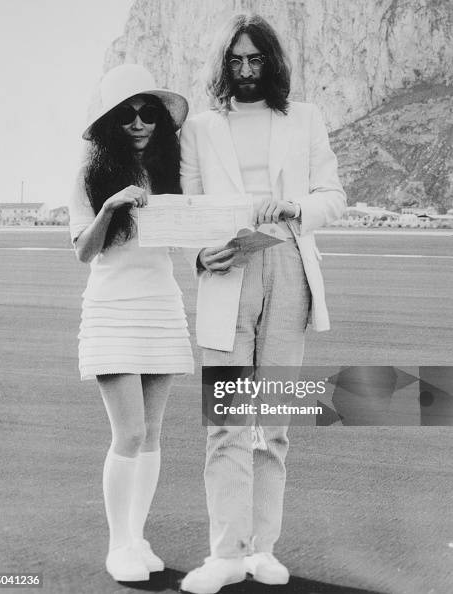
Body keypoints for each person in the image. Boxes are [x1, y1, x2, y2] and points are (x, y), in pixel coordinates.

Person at [179, 13, 346, 594]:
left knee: (273, 423)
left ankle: (263, 550)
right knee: (225, 422)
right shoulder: (199, 128)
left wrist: (297, 206)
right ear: (224, 65)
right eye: (236, 60)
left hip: (289, 266)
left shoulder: (304, 119)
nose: (246, 70)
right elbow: (188, 207)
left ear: (271, 62)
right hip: (228, 273)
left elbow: (334, 194)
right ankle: (224, 554)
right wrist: (202, 257)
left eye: (256, 60)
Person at [68, 63, 194, 583]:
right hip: (113, 309)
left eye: (149, 115)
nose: (140, 123)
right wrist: (111, 207)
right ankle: (119, 544)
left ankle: (138, 535)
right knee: (130, 432)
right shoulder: (89, 176)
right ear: (110, 124)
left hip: (161, 305)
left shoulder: (171, 175)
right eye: (128, 115)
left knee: (154, 434)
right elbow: (83, 251)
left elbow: (190, 234)